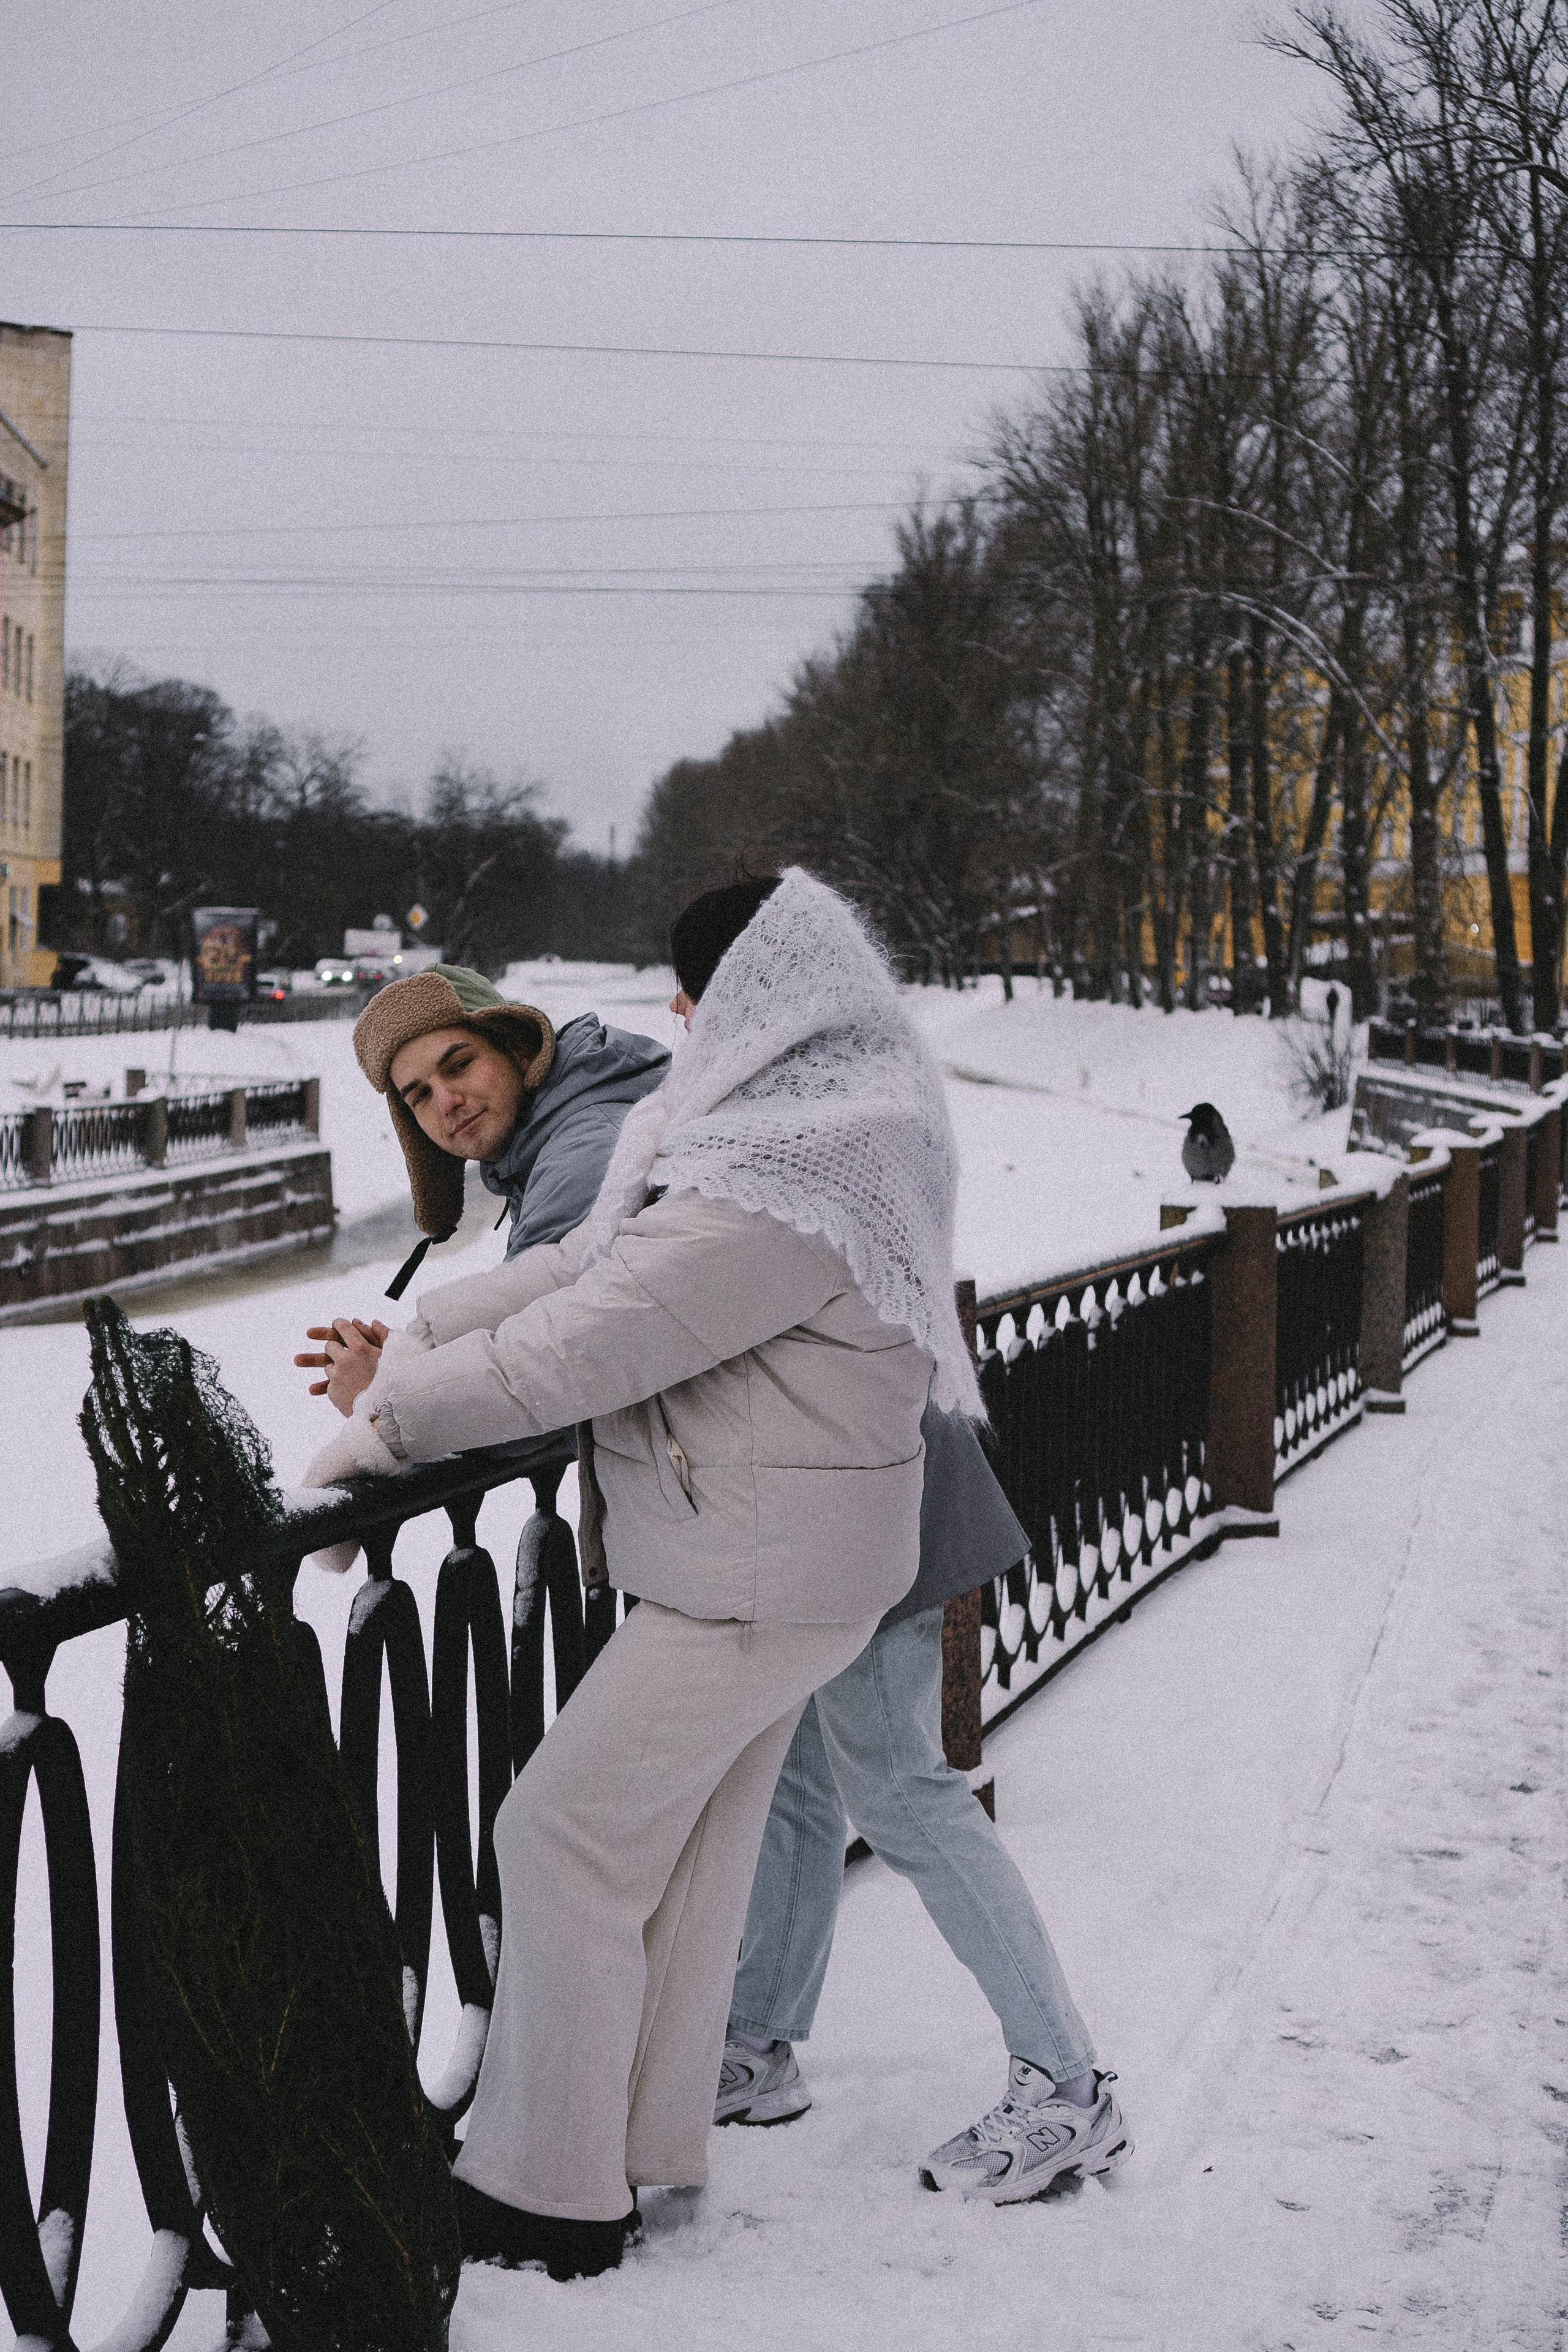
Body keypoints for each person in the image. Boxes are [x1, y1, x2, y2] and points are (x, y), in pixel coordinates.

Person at [299, 869, 976, 2280]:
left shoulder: (798, 1166)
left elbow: (595, 1336)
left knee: (560, 1837)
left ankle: (546, 2196)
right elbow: (590, 1265)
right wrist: (420, 1347)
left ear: (768, 999)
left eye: (700, 991)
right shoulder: (813, 1127)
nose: (677, 1016)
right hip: (780, 1559)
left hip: (754, 1569)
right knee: (683, 1866)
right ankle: (644, 2155)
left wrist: (383, 1430)